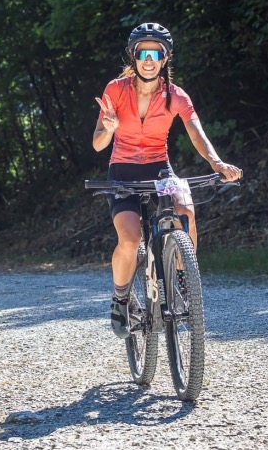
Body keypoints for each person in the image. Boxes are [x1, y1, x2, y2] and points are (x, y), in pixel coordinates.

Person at [92, 22, 242, 339]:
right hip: (123, 172)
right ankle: (120, 299)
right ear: (133, 57)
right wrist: (109, 128)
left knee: (185, 211)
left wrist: (216, 163)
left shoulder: (176, 96)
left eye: (155, 54)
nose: (149, 60)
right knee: (130, 239)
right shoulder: (115, 90)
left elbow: (196, 133)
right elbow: (98, 144)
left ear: (165, 58)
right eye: (142, 53)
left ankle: (184, 282)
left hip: (160, 170)